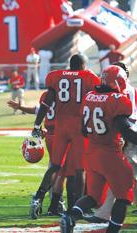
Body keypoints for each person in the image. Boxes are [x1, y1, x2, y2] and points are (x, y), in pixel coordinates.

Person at [60, 65, 137, 233]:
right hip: (111, 153)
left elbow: (84, 130)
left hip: (91, 153)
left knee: (93, 197)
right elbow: (125, 131)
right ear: (119, 81)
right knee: (124, 197)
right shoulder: (118, 100)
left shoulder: (89, 96)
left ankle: (70, 216)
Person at [30, 54, 100, 219]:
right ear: (83, 65)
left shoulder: (56, 76)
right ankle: (76, 207)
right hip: (78, 129)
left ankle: (37, 198)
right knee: (79, 170)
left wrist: (36, 124)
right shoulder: (89, 77)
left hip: (61, 128)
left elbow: (46, 103)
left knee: (55, 166)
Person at [84, 62, 137, 223]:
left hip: (124, 135)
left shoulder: (123, 91)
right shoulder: (128, 89)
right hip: (125, 134)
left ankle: (104, 212)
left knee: (124, 175)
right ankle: (105, 212)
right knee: (122, 176)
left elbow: (126, 117)